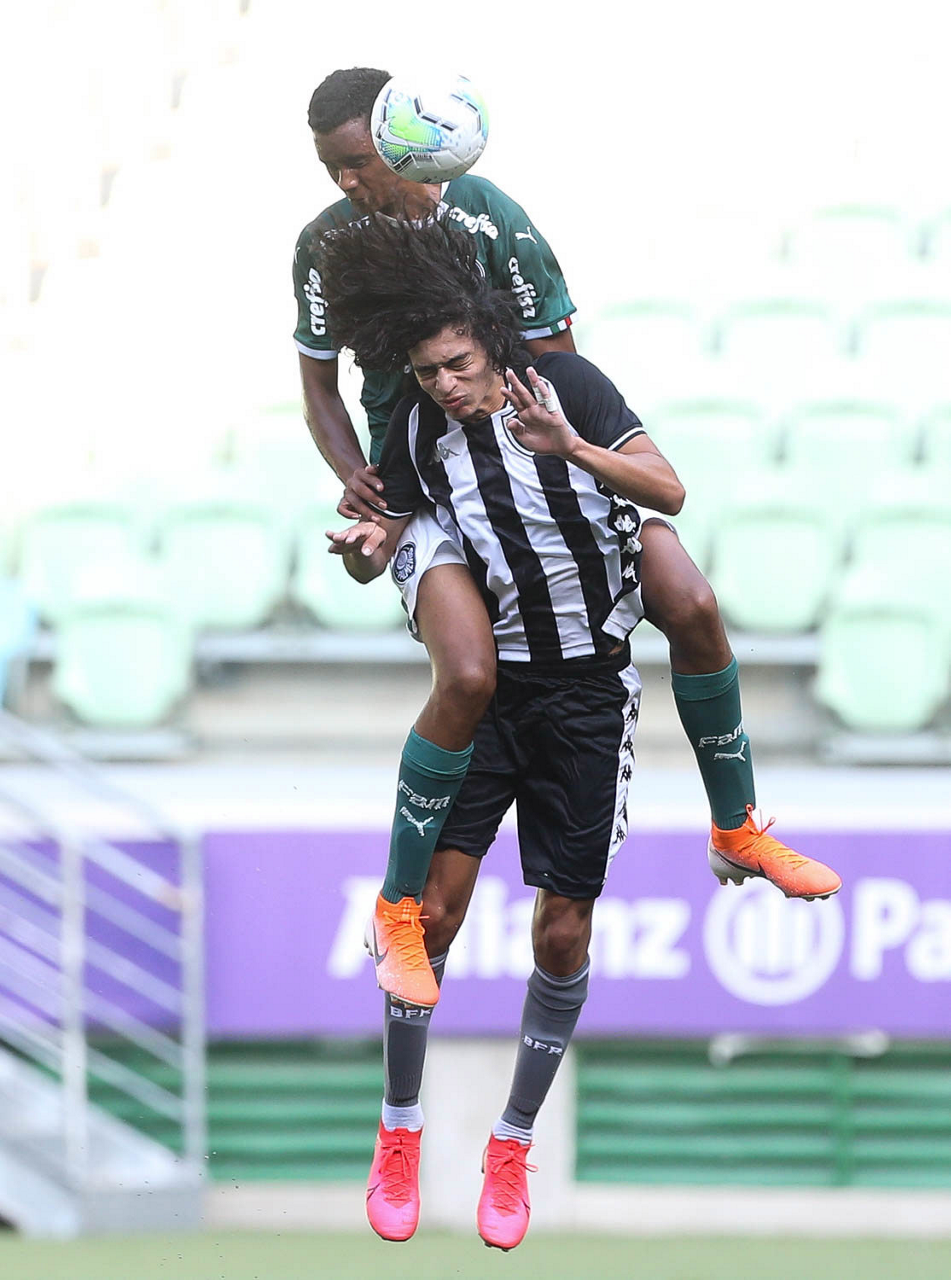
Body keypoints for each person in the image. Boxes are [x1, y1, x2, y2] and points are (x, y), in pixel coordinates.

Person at [320, 217, 840, 1249]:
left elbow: (671, 490)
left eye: (458, 364)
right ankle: (400, 1129)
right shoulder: (419, 430)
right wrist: (365, 551)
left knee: (562, 932)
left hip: (589, 694)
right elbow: (390, 542)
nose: (445, 386)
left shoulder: (572, 387)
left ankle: (511, 1143)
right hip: (496, 694)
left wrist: (572, 448)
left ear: (491, 340)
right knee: (434, 915)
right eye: (425, 373)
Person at [296, 67, 842, 1012]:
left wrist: (563, 450)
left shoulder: (491, 216)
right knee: (469, 673)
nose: (346, 182)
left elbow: (557, 356)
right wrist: (362, 484)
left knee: (689, 598)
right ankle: (399, 909)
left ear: (396, 144)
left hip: (535, 451)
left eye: (356, 162)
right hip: (419, 484)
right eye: (329, 169)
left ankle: (738, 826)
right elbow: (316, 384)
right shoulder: (326, 245)